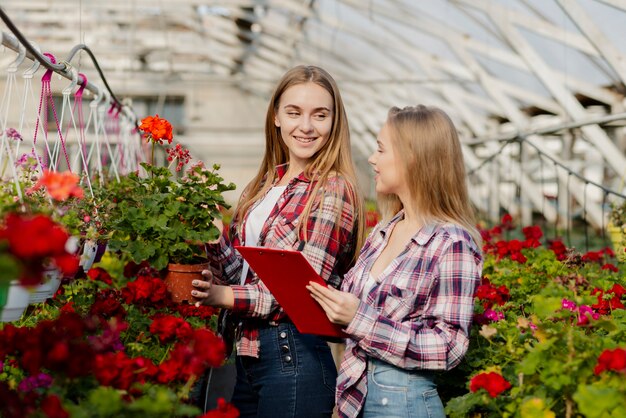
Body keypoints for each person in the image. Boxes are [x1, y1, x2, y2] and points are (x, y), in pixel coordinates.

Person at [191, 65, 366, 417]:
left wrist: (219, 296)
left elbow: (301, 293)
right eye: (294, 112)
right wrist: (214, 238)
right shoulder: (265, 186)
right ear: (275, 116)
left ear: (334, 122)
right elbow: (245, 275)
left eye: (320, 115)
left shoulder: (332, 190)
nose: (306, 126)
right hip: (248, 356)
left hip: (293, 358)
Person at [308, 105, 483, 418]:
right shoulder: (385, 230)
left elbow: (449, 346)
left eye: (380, 149)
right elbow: (356, 313)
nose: (372, 159)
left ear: (413, 157)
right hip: (358, 400)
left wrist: (359, 319)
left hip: (404, 404)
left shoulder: (452, 243)